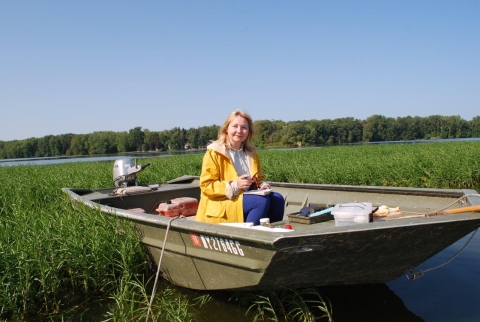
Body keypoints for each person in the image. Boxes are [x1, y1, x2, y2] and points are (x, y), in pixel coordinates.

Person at [195, 110, 285, 225]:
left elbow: (259, 178)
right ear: (226, 129)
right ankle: (249, 238)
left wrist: (262, 185)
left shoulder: (251, 154)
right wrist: (235, 185)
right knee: (260, 201)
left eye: (244, 127)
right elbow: (206, 186)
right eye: (235, 126)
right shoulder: (214, 152)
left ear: (248, 131)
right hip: (222, 201)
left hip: (245, 197)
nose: (239, 131)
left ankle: (271, 235)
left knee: (277, 199)